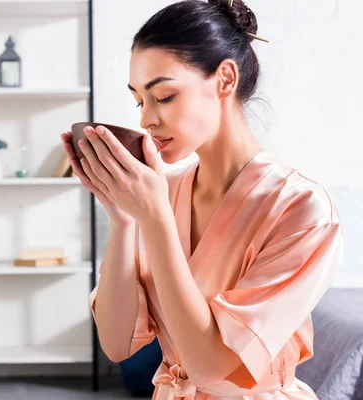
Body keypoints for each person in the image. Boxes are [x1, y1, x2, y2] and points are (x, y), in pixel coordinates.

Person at [60, 0, 344, 398]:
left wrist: (155, 219)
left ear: (225, 79)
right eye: (140, 100)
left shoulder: (302, 210)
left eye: (164, 96)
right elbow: (117, 343)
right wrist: (124, 218)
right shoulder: (163, 190)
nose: (145, 119)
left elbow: (210, 367)